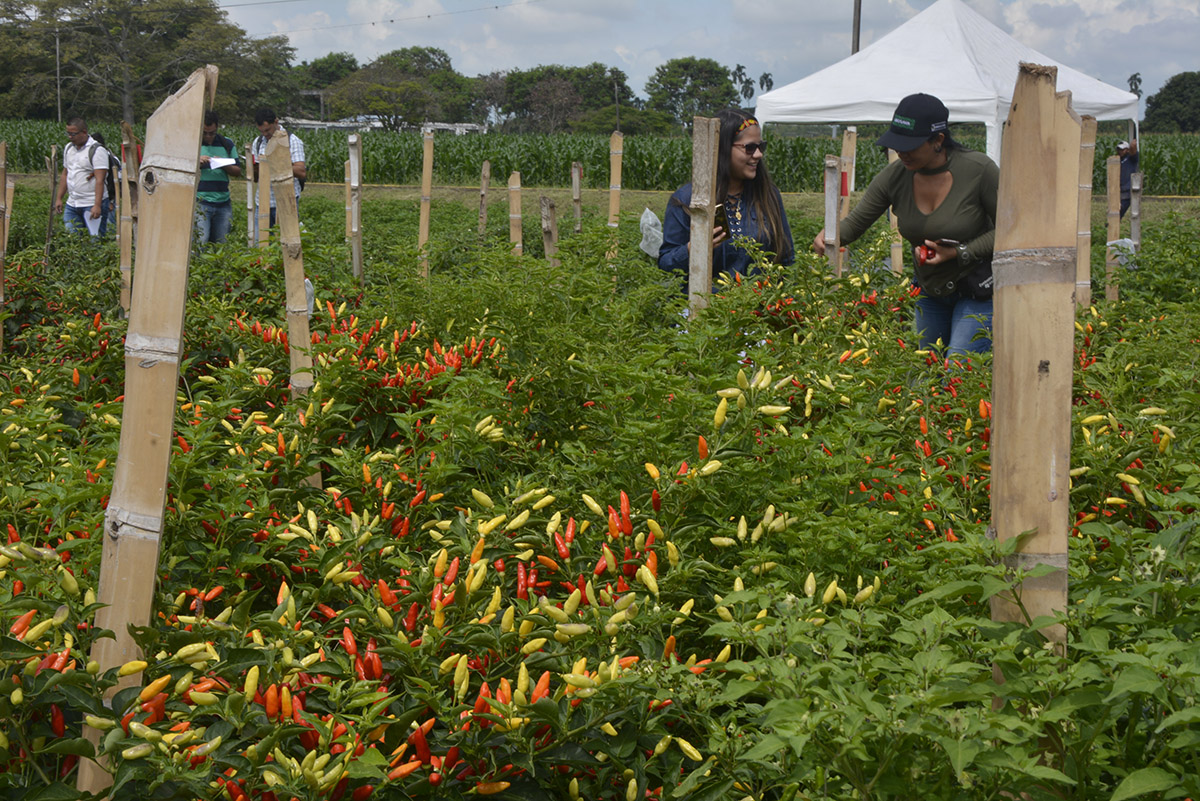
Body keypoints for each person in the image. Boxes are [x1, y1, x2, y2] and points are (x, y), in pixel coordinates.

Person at [814, 93, 998, 356]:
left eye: (909, 145)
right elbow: (856, 223)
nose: (901, 152)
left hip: (975, 290)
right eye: (897, 144)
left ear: (938, 140)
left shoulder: (979, 170)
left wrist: (960, 252)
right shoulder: (896, 176)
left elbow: (1012, 230)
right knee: (928, 370)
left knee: (959, 366)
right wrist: (828, 235)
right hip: (929, 292)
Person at [658, 108, 794, 287]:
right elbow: (666, 265)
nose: (758, 154)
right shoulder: (687, 200)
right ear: (721, 149)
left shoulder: (767, 196)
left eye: (761, 146)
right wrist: (694, 248)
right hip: (706, 309)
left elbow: (786, 259)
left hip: (759, 307)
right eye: (750, 147)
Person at [54, 118, 112, 238]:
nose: (70, 137)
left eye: (73, 134)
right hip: (72, 203)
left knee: (95, 241)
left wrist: (97, 205)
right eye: (68, 133)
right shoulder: (69, 149)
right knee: (72, 241)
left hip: (90, 203)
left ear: (84, 132)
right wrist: (59, 198)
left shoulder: (97, 150)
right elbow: (65, 174)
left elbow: (100, 180)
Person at [251, 108, 306, 228]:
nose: (265, 134)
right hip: (263, 201)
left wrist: (274, 164)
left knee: (285, 242)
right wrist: (255, 167)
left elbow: (301, 172)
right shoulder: (258, 142)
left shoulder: (292, 141)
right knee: (259, 243)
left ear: (276, 122)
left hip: (285, 201)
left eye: (267, 130)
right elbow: (256, 178)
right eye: (261, 131)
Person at [196, 110, 242, 244]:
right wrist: (197, 162)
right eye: (205, 133)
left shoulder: (226, 143)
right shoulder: (193, 143)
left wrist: (223, 163)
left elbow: (237, 170)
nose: (209, 136)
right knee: (201, 241)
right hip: (201, 202)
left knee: (222, 242)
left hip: (223, 202)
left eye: (212, 133)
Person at [1117, 139, 1139, 219]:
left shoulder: (1131, 159)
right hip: (1118, 190)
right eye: (1119, 149)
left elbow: (1133, 149)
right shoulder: (1117, 160)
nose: (1120, 151)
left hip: (1127, 191)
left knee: (1121, 210)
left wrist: (1133, 144)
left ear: (1127, 150)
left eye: (1122, 149)